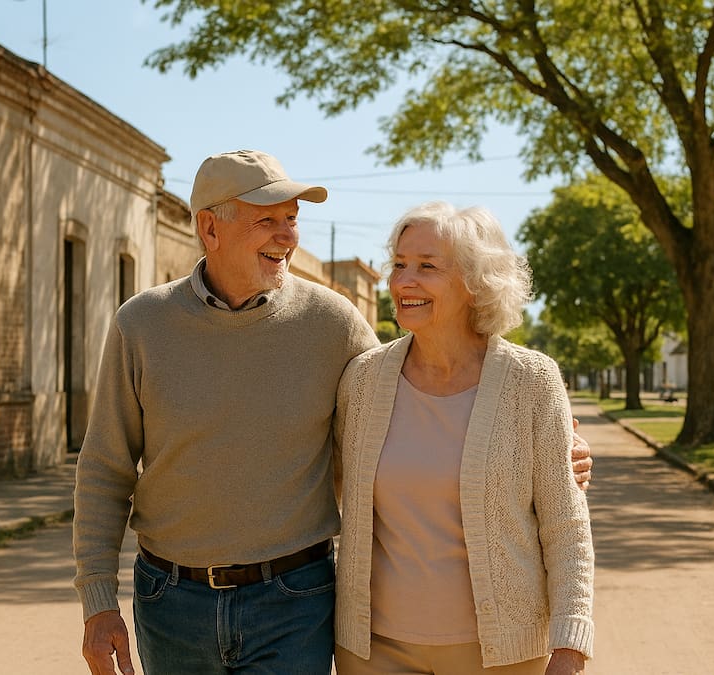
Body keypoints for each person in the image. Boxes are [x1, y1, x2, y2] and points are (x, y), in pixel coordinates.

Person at [73, 150, 594, 675]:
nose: (288, 237)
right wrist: (97, 601)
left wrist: (560, 448)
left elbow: (435, 402)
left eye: (292, 220)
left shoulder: (333, 323)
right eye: (267, 220)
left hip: (293, 599)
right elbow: (103, 470)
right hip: (172, 602)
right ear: (210, 228)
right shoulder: (141, 326)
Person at [334, 202, 595, 675]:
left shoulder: (532, 381)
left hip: (501, 653)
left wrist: (571, 644)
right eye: (399, 264)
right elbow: (325, 477)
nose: (402, 281)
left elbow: (565, 526)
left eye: (427, 267)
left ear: (476, 284)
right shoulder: (363, 380)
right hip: (374, 651)